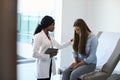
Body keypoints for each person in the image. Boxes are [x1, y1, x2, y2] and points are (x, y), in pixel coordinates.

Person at [32, 15, 71, 80]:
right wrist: (48, 55)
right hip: (42, 68)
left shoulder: (49, 36)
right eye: (53, 25)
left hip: (49, 66)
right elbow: (34, 54)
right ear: (47, 25)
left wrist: (70, 41)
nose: (54, 27)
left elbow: (59, 46)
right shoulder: (38, 36)